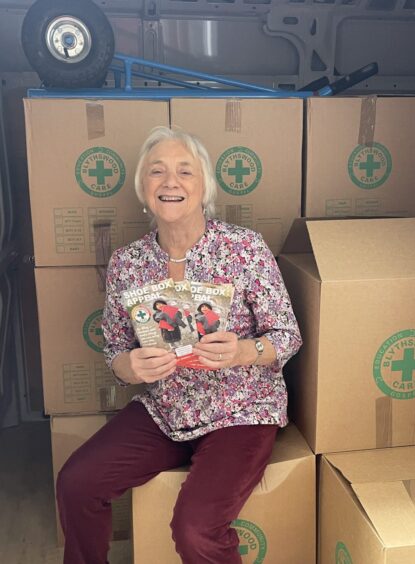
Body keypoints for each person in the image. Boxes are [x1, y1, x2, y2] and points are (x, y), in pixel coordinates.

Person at [56, 126, 302, 564]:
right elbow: (114, 351)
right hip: (165, 410)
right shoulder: (127, 263)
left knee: (195, 530)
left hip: (240, 411)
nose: (171, 182)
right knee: (76, 481)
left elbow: (288, 335)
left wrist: (244, 351)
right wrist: (132, 366)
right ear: (143, 189)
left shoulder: (244, 248)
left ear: (204, 185)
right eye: (157, 172)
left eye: (185, 171)